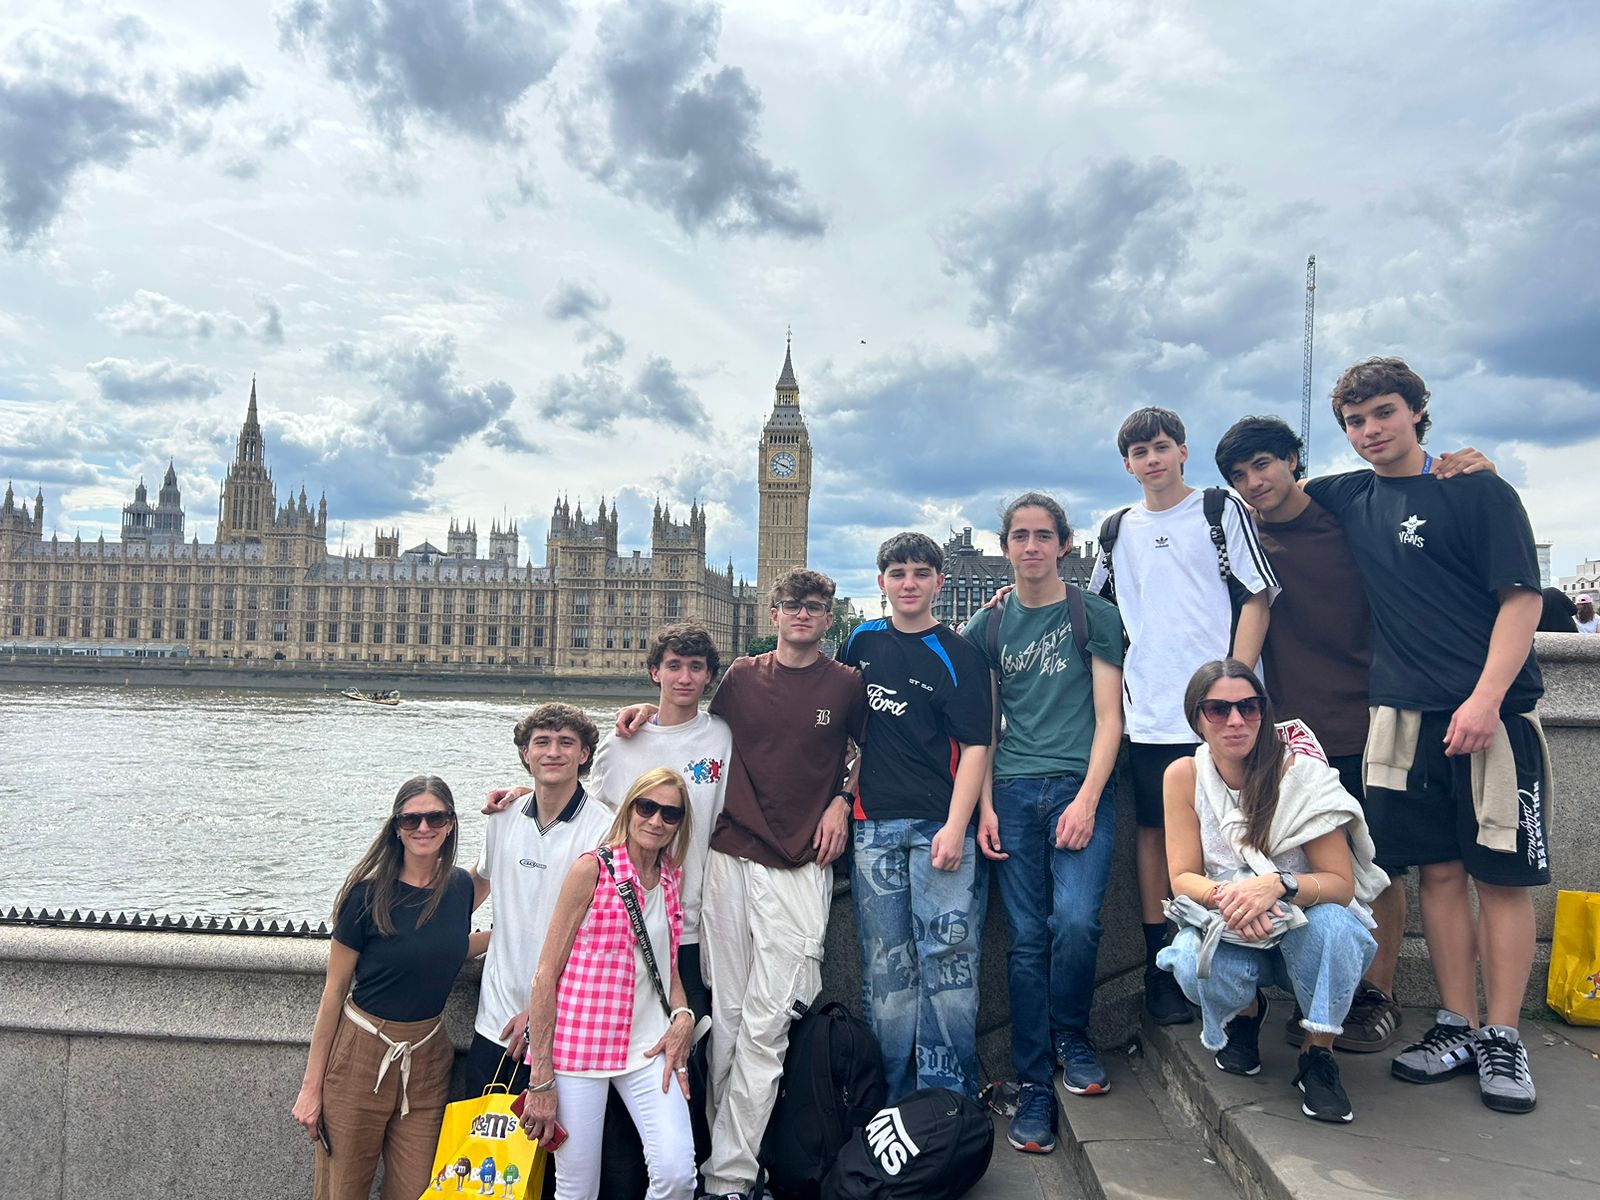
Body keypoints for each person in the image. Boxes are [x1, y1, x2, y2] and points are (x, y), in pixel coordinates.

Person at [1306, 356, 1549, 1113]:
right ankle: (1456, 1023)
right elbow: (1272, 496)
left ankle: (1503, 1036)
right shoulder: (1350, 496)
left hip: (1491, 719)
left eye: (1384, 412)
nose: (1370, 430)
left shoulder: (1476, 490)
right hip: (1404, 722)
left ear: (1417, 411)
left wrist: (1485, 699)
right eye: (1355, 421)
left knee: (1501, 879)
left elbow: (1522, 600)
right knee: (1437, 876)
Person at [622, 568, 863, 1200]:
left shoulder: (847, 684)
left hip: (800, 866)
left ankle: (729, 1174)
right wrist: (645, 715)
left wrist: (843, 800)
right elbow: (691, 731)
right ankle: (725, 1169)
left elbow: (873, 755)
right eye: (791, 605)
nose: (802, 614)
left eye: (815, 606)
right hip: (730, 860)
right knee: (727, 1022)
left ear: (828, 615)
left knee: (769, 1022)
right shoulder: (739, 678)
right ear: (773, 612)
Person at [1088, 407, 1279, 1027]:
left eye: (1162, 447)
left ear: (1182, 452)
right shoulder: (1116, 530)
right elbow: (1093, 611)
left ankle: (1245, 960)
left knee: (1243, 828)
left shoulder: (1219, 511)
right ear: (1127, 465)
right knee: (1153, 834)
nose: (1153, 460)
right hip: (1149, 711)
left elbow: (1258, 596)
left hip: (1222, 713)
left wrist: (1236, 686)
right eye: (1140, 452)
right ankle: (1161, 961)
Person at [961, 495, 1125, 1153]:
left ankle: (1072, 1037)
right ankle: (1033, 1084)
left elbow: (1111, 718)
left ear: (1063, 544)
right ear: (1006, 546)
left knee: (1077, 922)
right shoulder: (989, 625)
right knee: (1027, 940)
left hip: (1079, 788)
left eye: (1043, 536)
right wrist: (984, 807)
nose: (1031, 546)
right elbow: (983, 726)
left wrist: (1087, 799)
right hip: (1012, 792)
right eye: (1020, 536)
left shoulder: (1095, 615)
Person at [1157, 660, 1383, 1123]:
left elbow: (1340, 884)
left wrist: (1278, 885)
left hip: (1303, 923)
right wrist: (1236, 899)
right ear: (1197, 718)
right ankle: (1246, 1014)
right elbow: (1182, 877)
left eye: (1249, 707)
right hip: (1235, 922)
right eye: (1218, 709)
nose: (1236, 720)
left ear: (1264, 712)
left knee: (1338, 928)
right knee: (1189, 959)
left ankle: (1318, 1053)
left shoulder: (1300, 774)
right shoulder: (1183, 775)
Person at [841, 532, 992, 1102]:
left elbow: (976, 746)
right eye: (898, 573)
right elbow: (834, 719)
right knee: (886, 968)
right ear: (881, 582)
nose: (909, 583)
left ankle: (947, 1100)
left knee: (949, 961)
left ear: (939, 583)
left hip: (938, 825)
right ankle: (891, 1097)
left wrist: (956, 826)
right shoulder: (860, 642)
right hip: (872, 824)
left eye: (921, 573)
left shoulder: (959, 654)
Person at [293, 776, 489, 1200]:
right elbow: (333, 992)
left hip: (427, 1057)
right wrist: (311, 1089)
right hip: (361, 1054)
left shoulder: (459, 888)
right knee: (343, 1189)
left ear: (451, 823)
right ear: (396, 827)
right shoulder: (366, 895)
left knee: (418, 1190)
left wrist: (520, 803)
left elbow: (447, 945)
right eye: (411, 819)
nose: (423, 827)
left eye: (435, 817)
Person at [518, 768, 699, 1200]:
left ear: (680, 823)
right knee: (577, 1190)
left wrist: (684, 1016)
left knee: (677, 1174)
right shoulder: (592, 869)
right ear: (630, 808)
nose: (656, 820)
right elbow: (545, 974)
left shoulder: (671, 876)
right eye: (646, 807)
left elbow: (667, 965)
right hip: (580, 1048)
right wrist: (541, 1077)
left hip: (648, 1047)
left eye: (670, 813)